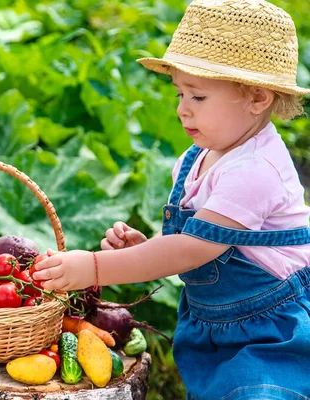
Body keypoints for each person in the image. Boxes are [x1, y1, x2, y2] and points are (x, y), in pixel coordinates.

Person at [32, 0, 310, 398]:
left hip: (270, 330)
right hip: (218, 320)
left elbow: (191, 250)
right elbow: (193, 247)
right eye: (180, 93)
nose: (182, 109)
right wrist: (147, 249)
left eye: (197, 98)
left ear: (257, 98)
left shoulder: (256, 170)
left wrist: (93, 267)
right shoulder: (199, 155)